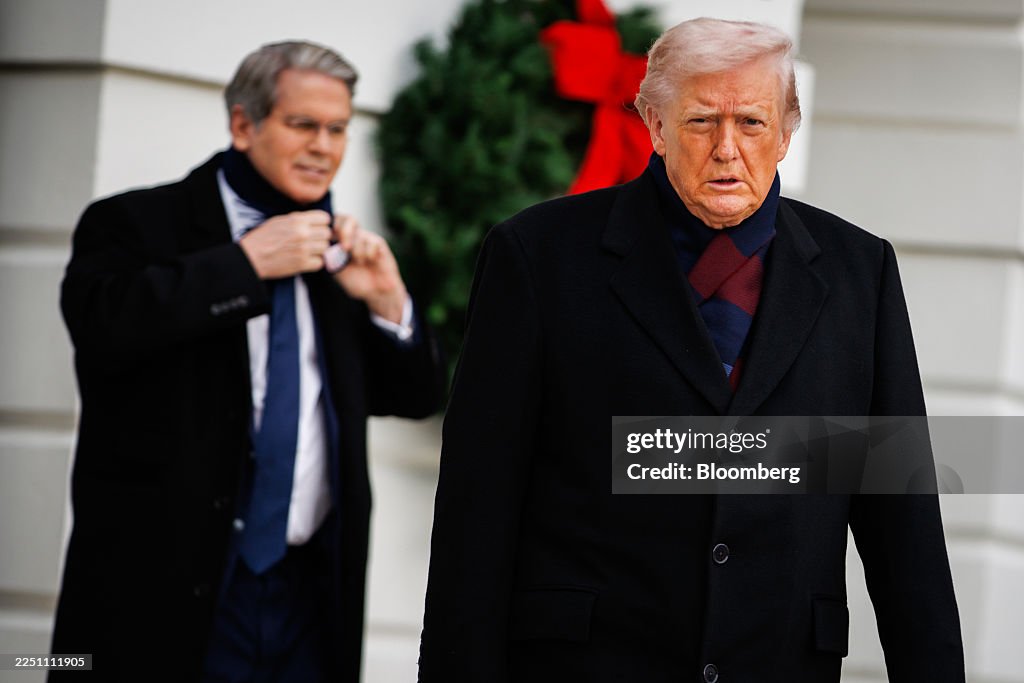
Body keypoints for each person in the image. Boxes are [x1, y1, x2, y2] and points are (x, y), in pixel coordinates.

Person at [419, 17, 964, 682]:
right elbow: (475, 520)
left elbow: (903, 527)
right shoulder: (537, 259)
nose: (727, 148)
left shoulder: (862, 272)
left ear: (788, 131)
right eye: (703, 120)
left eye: (752, 123)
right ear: (654, 123)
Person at [52, 41, 444, 682]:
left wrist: (388, 302)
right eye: (303, 125)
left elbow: (415, 395)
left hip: (310, 597)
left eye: (338, 129)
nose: (323, 146)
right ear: (243, 124)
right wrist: (243, 265)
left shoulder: (338, 251)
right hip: (171, 591)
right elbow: (101, 328)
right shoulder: (132, 223)